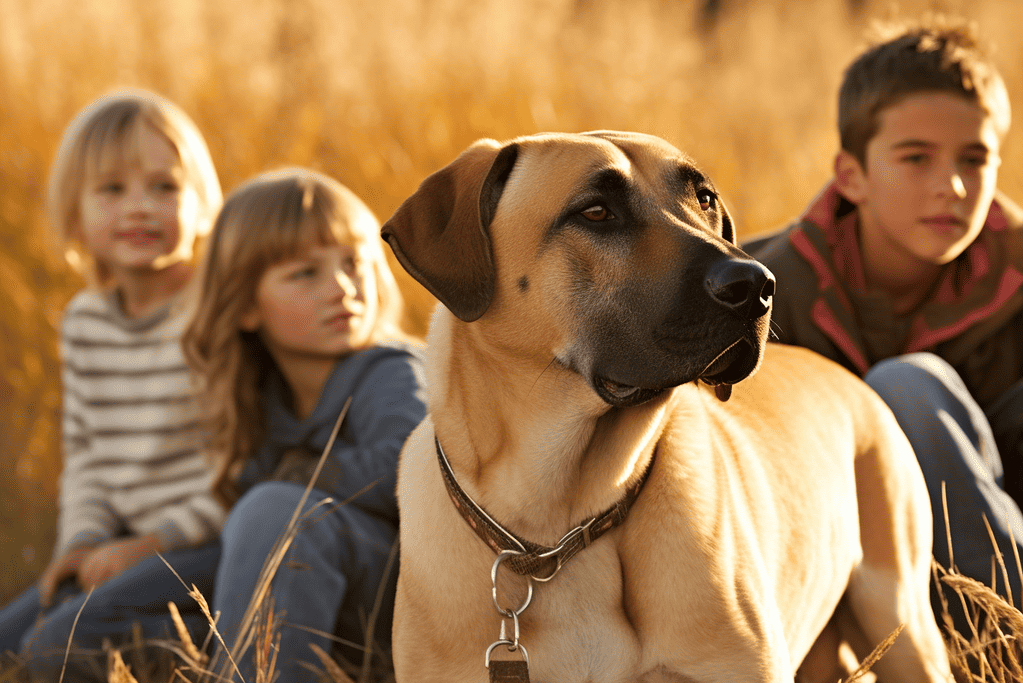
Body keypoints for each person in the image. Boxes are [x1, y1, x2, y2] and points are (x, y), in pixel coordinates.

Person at [745, 16, 1023, 629]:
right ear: (851, 176)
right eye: (915, 158)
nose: (950, 186)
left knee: (908, 387)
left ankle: (1003, 640)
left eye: (974, 159)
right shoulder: (769, 290)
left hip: (1000, 557)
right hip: (836, 568)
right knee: (902, 390)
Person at [0, 90, 225, 678]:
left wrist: (148, 544)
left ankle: (201, 650)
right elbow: (89, 458)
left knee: (58, 650)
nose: (139, 208)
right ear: (74, 216)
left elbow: (242, 470)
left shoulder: (214, 315)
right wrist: (81, 540)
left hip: (205, 543)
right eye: (112, 190)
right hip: (119, 542)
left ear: (203, 208)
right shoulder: (85, 323)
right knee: (7, 642)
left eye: (165, 187)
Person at [182, 167, 426, 682]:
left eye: (354, 263)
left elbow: (416, 465)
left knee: (274, 512)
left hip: (411, 593)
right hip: (311, 591)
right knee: (114, 600)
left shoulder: (389, 370)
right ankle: (34, 649)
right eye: (306, 273)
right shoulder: (260, 394)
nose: (342, 288)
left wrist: (298, 477)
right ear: (246, 306)